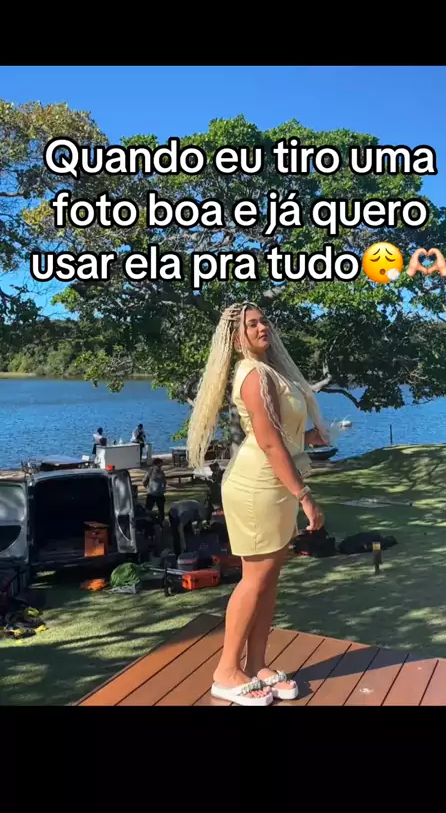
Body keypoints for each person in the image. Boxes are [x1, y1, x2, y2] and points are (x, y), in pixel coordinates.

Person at [186, 301, 330, 707]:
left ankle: (257, 664)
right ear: (236, 338)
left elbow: (282, 435)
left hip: (274, 484)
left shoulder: (271, 372)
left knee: (268, 580)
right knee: (253, 579)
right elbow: (267, 442)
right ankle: (226, 672)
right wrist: (305, 497)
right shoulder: (251, 374)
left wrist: (312, 438)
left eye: (263, 320)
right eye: (251, 324)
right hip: (256, 487)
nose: (261, 327)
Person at [142, 458, 166, 524]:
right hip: (151, 495)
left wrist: (164, 488)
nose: (160, 468)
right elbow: (144, 482)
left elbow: (164, 481)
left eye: (161, 466)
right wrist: (148, 488)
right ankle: (148, 523)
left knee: (161, 511)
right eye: (158, 466)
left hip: (160, 495)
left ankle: (161, 523)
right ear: (154, 465)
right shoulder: (150, 472)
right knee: (148, 510)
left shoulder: (162, 472)